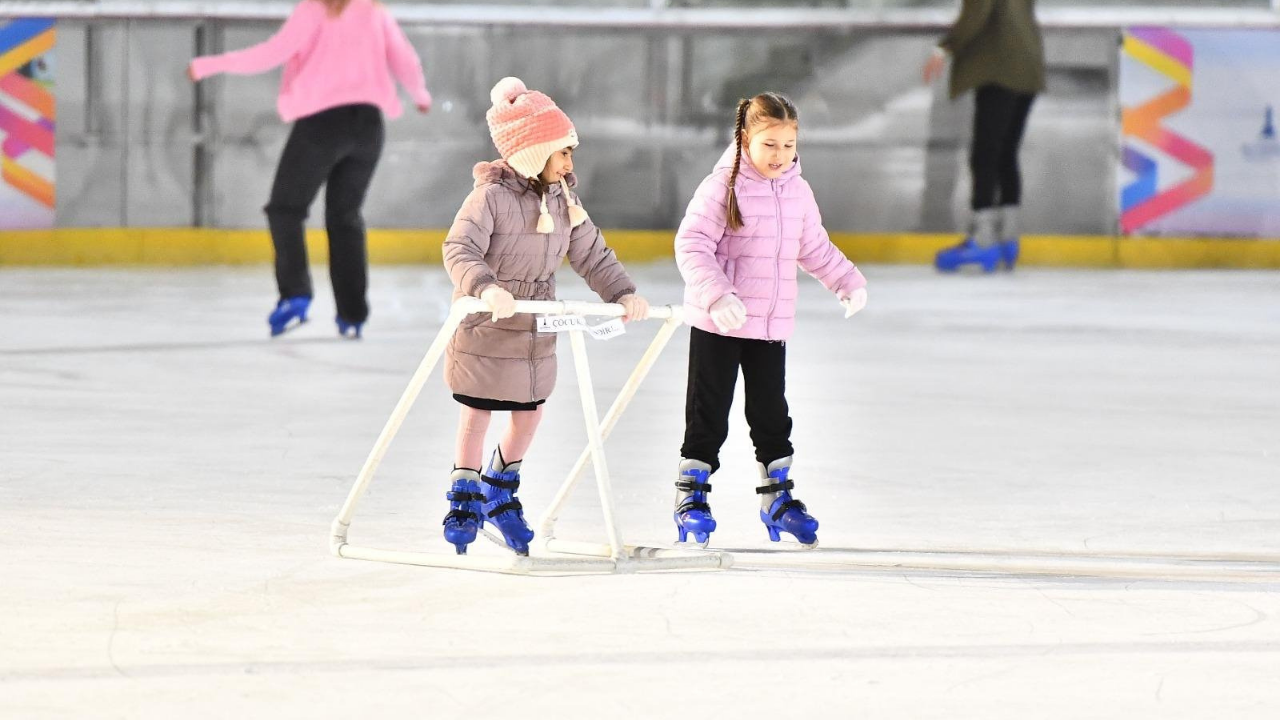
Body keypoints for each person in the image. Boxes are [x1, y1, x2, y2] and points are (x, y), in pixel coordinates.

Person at [438, 77, 650, 556]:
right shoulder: (489, 198)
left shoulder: (563, 201)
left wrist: (622, 292)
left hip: (534, 331)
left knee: (528, 415)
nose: (570, 163)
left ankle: (500, 483)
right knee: (477, 412)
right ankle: (464, 491)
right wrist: (485, 288)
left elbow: (592, 254)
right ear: (533, 153)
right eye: (562, 153)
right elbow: (459, 248)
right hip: (487, 325)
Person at [671, 92, 868, 549]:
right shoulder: (722, 186)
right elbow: (691, 244)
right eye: (769, 145)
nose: (780, 155)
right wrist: (716, 294)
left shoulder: (797, 191)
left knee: (771, 416)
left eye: (788, 145)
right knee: (708, 415)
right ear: (745, 140)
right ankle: (691, 499)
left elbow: (813, 246)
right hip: (720, 324)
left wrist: (847, 281)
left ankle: (777, 500)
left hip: (769, 327)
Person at [188, 0, 432, 338]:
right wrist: (420, 94)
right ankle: (353, 314)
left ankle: (295, 294)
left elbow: (271, 53)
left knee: (285, 209)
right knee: (345, 217)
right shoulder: (374, 11)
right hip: (369, 126)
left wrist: (208, 64)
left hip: (322, 124)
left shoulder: (315, 10)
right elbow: (404, 59)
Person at [923, 0, 1044, 272]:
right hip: (1027, 67)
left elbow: (976, 14)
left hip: (1000, 69)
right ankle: (1008, 237)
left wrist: (944, 48)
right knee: (1005, 153)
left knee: (985, 155)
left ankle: (984, 239)